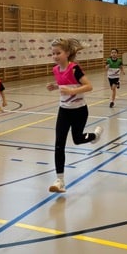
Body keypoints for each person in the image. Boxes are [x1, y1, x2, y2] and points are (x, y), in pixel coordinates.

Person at [46, 38, 103, 193]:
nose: (55, 56)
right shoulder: (56, 70)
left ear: (67, 53)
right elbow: (64, 83)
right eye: (53, 53)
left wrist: (72, 91)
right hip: (64, 110)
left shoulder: (74, 69)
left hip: (79, 111)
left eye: (58, 53)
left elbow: (89, 86)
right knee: (59, 144)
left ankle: (95, 136)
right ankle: (60, 180)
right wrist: (55, 86)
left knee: (77, 139)